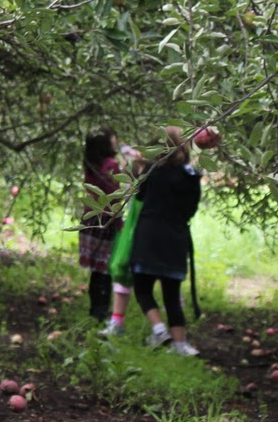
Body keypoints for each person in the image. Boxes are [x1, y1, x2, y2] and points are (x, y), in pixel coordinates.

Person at [129, 126, 202, 356]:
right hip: (175, 238)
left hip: (148, 237)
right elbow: (191, 210)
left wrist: (136, 167)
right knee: (172, 293)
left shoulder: (151, 172)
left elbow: (138, 195)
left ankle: (159, 330)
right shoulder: (190, 176)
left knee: (142, 288)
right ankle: (180, 345)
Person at [79, 129, 125, 322]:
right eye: (112, 137)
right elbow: (114, 197)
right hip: (106, 222)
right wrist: (119, 222)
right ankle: (101, 312)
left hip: (90, 220)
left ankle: (95, 309)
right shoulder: (111, 165)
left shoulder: (91, 164)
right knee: (105, 270)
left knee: (96, 270)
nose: (116, 140)